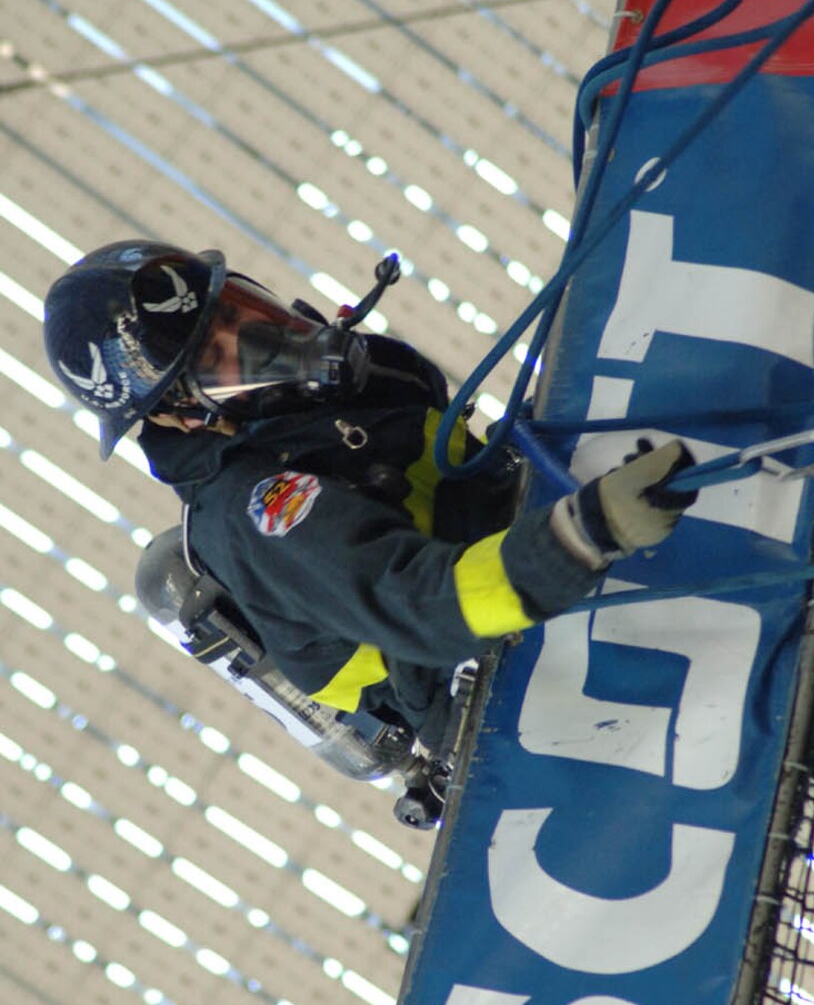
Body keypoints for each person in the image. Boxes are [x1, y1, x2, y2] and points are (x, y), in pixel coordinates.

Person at [41, 239, 698, 746]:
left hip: (539, 567)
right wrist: (586, 531)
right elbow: (420, 604)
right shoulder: (255, 506)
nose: (263, 347)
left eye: (244, 315)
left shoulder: (313, 411)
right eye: (221, 358)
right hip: (500, 694)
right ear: (174, 414)